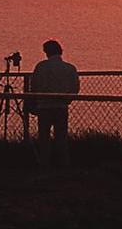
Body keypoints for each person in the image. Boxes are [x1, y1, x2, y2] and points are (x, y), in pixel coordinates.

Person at [29, 39, 79, 167]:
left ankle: (43, 164)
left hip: (44, 106)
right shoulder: (70, 68)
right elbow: (75, 88)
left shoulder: (41, 67)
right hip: (61, 107)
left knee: (44, 139)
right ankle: (63, 165)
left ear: (46, 52)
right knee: (61, 139)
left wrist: (34, 102)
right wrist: (67, 99)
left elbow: (34, 86)